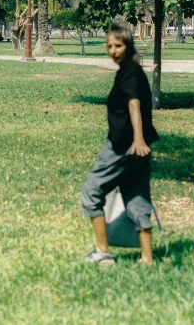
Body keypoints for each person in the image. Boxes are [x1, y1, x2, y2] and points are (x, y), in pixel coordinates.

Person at [80, 21, 159, 266]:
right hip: (136, 147)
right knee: (136, 199)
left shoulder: (130, 74)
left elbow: (134, 104)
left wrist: (137, 138)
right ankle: (147, 259)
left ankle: (103, 251)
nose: (113, 50)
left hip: (123, 146)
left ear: (128, 45)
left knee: (91, 192)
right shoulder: (130, 71)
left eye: (118, 45)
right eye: (109, 46)